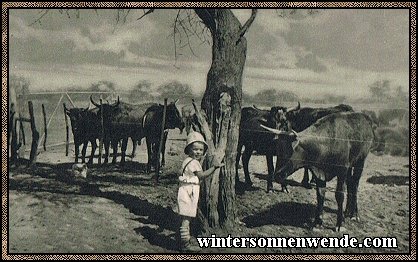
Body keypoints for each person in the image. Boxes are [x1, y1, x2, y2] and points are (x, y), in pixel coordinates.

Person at [177, 131, 224, 252]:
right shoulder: (194, 163)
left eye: (201, 150)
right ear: (189, 149)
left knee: (186, 218)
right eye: (195, 149)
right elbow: (202, 175)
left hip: (185, 190)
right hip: (189, 192)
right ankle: (185, 245)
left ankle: (185, 240)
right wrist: (214, 167)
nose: (198, 152)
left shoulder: (187, 161)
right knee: (186, 219)